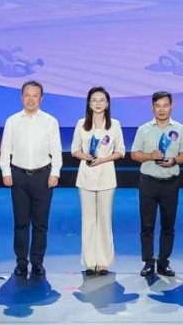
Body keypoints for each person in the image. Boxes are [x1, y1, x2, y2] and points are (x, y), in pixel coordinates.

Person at [0, 80, 62, 277]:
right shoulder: (12, 121)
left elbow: (56, 149)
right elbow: (6, 148)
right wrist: (6, 171)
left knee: (40, 223)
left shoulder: (50, 121)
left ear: (41, 98)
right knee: (21, 222)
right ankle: (21, 262)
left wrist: (55, 172)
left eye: (35, 95)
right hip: (18, 176)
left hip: (43, 176)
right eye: (27, 95)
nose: (31, 99)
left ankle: (37, 261)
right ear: (22, 97)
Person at [130, 90, 183, 277]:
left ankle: (164, 262)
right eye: (158, 106)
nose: (162, 109)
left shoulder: (180, 129)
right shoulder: (143, 129)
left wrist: (174, 160)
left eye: (165, 105)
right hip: (148, 182)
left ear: (172, 106)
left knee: (168, 225)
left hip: (170, 183)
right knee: (147, 225)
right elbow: (134, 154)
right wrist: (150, 156)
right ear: (152, 107)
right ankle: (148, 262)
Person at [70, 86, 125, 275]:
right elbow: (74, 149)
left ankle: (103, 262)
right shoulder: (81, 124)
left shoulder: (114, 125)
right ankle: (89, 261)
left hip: (106, 175)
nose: (98, 103)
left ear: (107, 104)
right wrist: (85, 156)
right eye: (94, 100)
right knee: (88, 220)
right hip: (86, 175)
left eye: (102, 100)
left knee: (104, 219)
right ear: (89, 104)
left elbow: (121, 150)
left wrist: (104, 159)